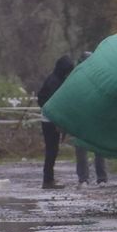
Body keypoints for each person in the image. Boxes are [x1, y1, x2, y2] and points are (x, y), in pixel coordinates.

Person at [37, 54, 75, 189]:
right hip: (50, 121)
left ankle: (49, 178)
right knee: (51, 150)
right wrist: (57, 121)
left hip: (49, 119)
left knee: (52, 150)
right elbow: (55, 104)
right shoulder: (54, 82)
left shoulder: (54, 79)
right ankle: (48, 180)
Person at [72, 51, 108, 185]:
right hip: (84, 117)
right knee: (85, 149)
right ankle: (87, 178)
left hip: (92, 116)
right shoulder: (78, 77)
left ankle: (96, 178)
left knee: (96, 149)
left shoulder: (95, 77)